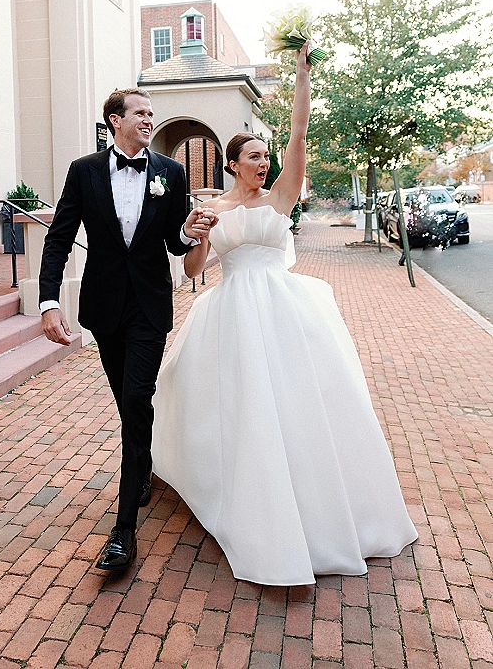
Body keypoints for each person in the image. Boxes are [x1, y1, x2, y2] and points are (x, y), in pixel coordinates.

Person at [151, 43, 418, 585]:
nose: (263, 162)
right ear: (232, 164)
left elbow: (298, 135)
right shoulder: (210, 209)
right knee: (243, 405)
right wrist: (195, 237)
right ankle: (244, 491)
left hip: (282, 306)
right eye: (253, 156)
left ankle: (316, 499)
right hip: (231, 312)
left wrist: (301, 77)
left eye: (264, 156)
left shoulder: (279, 198)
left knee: (300, 401)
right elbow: (196, 267)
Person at [38, 88, 211, 572]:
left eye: (152, 113)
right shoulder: (84, 171)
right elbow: (59, 237)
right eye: (141, 113)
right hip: (105, 306)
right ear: (115, 120)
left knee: (136, 397)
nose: (149, 120)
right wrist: (49, 300)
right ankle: (143, 465)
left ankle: (123, 531)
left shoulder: (171, 173)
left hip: (150, 307)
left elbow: (176, 244)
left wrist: (190, 230)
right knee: (128, 401)